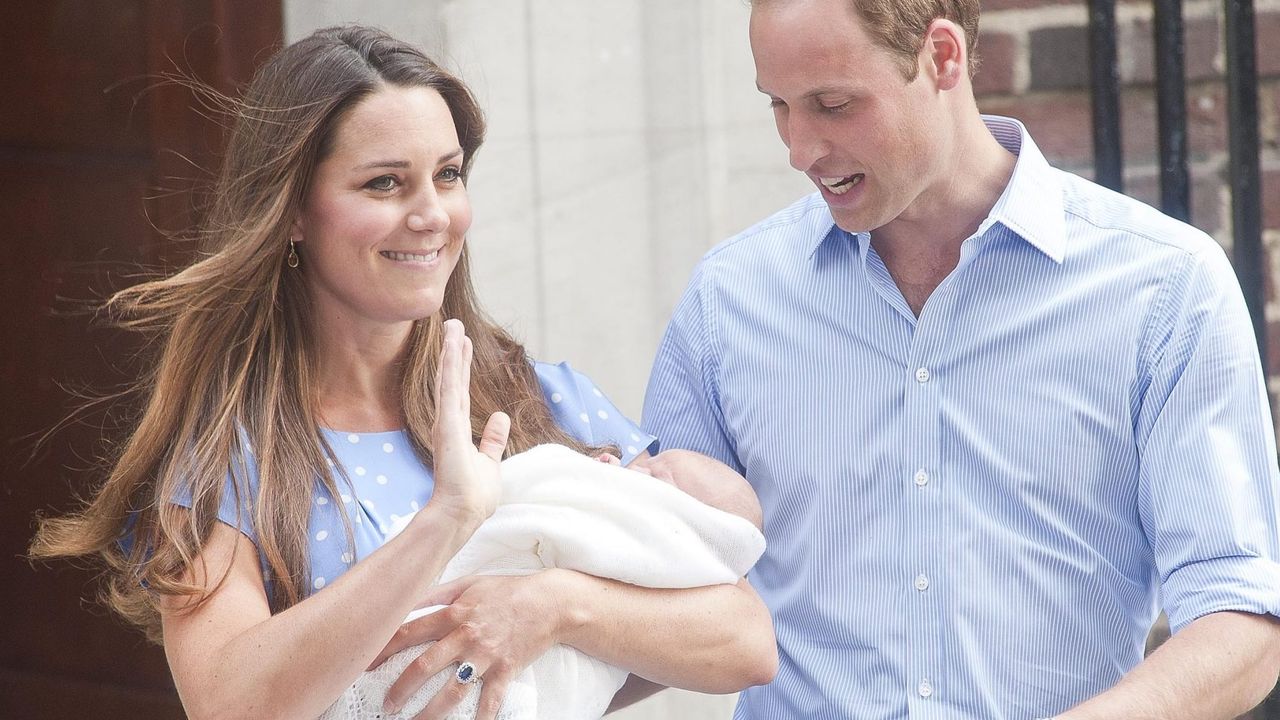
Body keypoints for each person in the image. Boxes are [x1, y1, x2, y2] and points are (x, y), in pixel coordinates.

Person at [29, 24, 775, 720]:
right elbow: (231, 702)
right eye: (385, 183)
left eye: (447, 175)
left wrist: (550, 607)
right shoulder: (230, 458)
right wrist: (444, 520)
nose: (432, 215)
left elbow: (745, 638)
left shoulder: (537, 397)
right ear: (291, 210)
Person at [642, 0, 1280, 718]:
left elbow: (1244, 616)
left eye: (832, 104)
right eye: (779, 107)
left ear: (942, 57)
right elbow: (657, 588)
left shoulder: (1166, 287)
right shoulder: (730, 299)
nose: (800, 149)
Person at [322, 444, 767, 720]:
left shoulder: (554, 397)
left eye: (654, 471)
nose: (630, 460)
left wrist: (551, 603)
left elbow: (752, 646)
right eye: (642, 461)